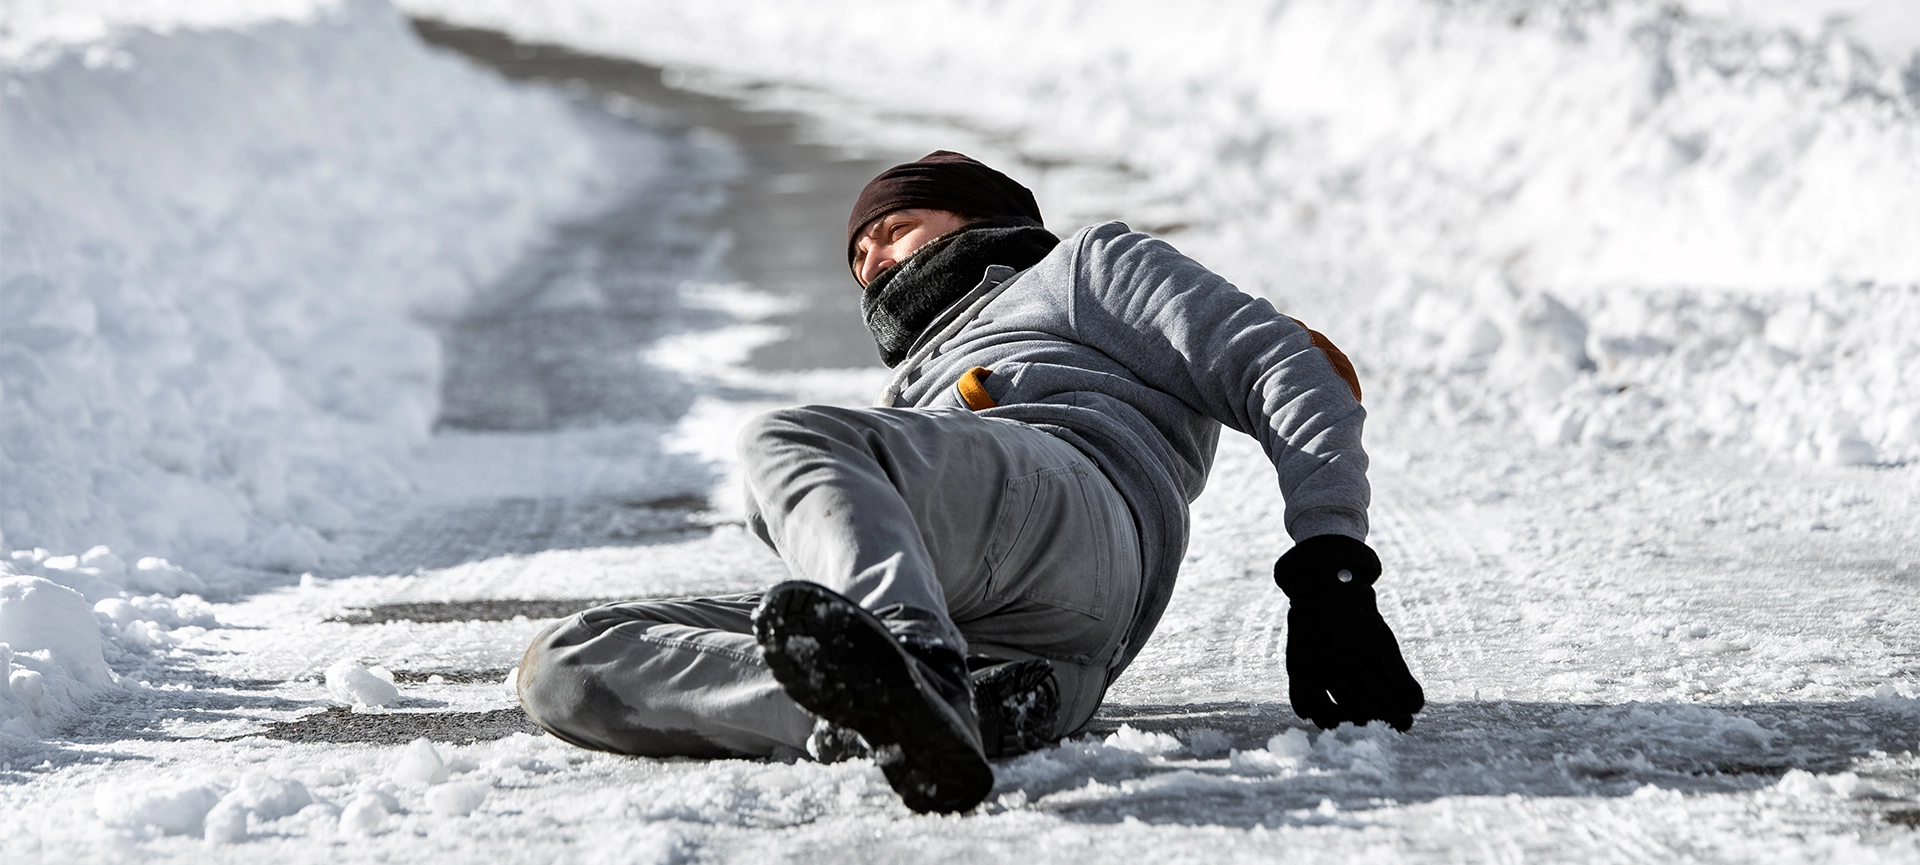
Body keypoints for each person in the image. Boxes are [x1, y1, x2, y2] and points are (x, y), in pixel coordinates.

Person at [514, 151, 1425, 814]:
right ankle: (900, 711)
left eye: (892, 228)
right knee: (567, 662)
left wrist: (1331, 567)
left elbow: (1288, 364)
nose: (870, 260)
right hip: (1044, 650)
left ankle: (910, 660)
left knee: (785, 441)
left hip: (1078, 505)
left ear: (977, 217)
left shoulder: (1082, 270)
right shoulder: (907, 389)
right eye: (857, 257)